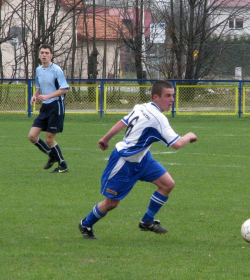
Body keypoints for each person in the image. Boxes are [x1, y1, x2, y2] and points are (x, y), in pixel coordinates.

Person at [78, 80, 198, 239]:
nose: (172, 100)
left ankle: (147, 221)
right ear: (156, 97)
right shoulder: (158, 119)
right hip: (124, 162)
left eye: (173, 96)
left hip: (143, 159)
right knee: (111, 203)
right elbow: (176, 144)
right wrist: (189, 136)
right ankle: (85, 224)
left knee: (167, 184)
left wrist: (106, 138)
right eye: (168, 96)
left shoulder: (141, 107)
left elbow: (123, 122)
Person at [28, 44, 70, 173]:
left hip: (56, 106)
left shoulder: (57, 70)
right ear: (39, 55)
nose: (44, 55)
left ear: (52, 55)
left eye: (47, 53)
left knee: (49, 138)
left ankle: (63, 165)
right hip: (45, 107)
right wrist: (34, 96)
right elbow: (39, 87)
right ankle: (52, 155)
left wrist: (48, 96)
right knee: (32, 136)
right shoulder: (38, 70)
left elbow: (64, 89)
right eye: (42, 53)